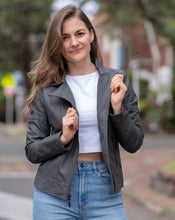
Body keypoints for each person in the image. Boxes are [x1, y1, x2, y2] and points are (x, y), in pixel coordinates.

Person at [25, 4, 144, 220]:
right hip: (54, 194)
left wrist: (117, 110)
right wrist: (62, 138)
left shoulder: (117, 81)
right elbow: (32, 150)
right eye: (65, 37)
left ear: (91, 35)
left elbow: (134, 143)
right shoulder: (47, 90)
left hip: (105, 192)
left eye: (79, 33)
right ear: (58, 44)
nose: (74, 42)